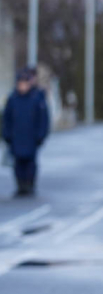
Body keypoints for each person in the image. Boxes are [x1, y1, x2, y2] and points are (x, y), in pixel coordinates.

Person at [2, 67, 50, 197]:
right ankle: (20, 186)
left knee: (30, 163)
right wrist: (6, 135)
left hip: (31, 137)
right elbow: (6, 119)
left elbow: (43, 119)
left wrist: (40, 135)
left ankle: (29, 185)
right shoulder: (13, 99)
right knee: (18, 163)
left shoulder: (36, 99)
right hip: (16, 137)